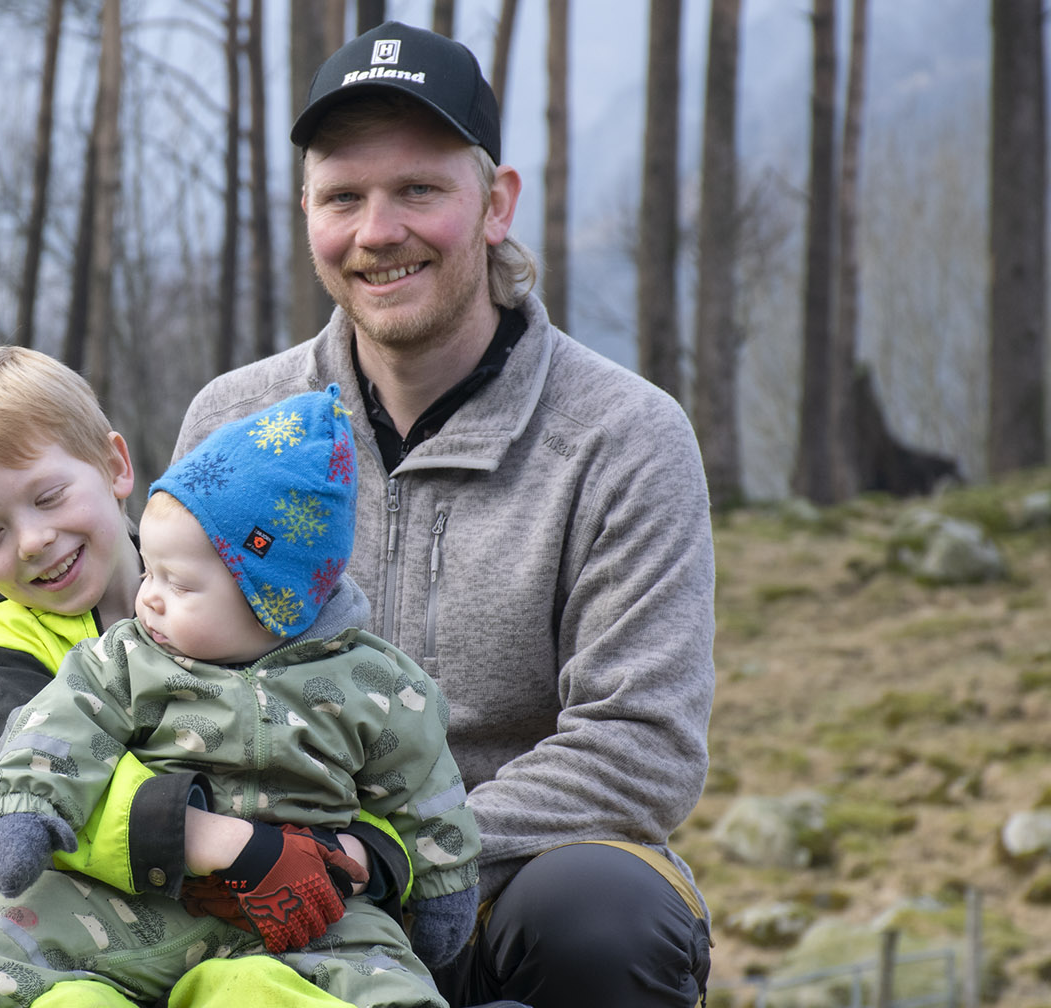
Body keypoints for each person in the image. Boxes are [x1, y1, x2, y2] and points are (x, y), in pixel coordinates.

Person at [173, 21, 715, 1008]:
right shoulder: (234, 422)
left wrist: (389, 850)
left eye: (419, 189)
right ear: (308, 214)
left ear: (496, 204)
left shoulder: (625, 438)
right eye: (344, 197)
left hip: (516, 883)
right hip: (277, 885)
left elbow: (641, 746)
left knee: (607, 916)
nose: (378, 231)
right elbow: (166, 676)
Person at [0, 387, 482, 1008]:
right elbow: (42, 746)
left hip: (296, 914)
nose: (32, 541)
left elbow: (419, 781)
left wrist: (390, 859)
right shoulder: (70, 652)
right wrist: (232, 842)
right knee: (6, 962)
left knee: (362, 977)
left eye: (48, 498)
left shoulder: (366, 677)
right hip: (116, 909)